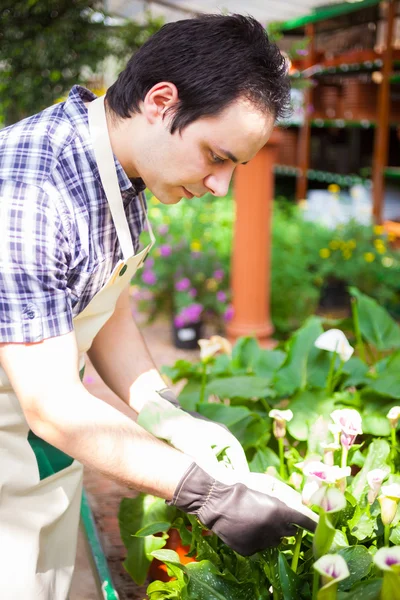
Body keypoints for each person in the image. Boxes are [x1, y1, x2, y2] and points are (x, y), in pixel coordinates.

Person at [0, 13, 315, 599]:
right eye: (216, 156)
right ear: (161, 102)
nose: (220, 186)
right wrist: (205, 494)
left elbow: (104, 305)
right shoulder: (30, 187)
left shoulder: (125, 172)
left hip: (45, 456)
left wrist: (163, 409)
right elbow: (48, 402)